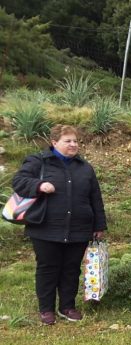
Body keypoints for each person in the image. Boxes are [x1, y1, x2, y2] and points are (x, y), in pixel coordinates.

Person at [12, 124, 107, 325]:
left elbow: (95, 198)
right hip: (45, 227)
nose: (73, 144)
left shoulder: (85, 168)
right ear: (54, 143)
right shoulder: (38, 161)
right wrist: (38, 185)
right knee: (48, 268)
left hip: (79, 229)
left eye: (75, 141)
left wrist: (99, 226)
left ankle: (67, 307)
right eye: (68, 141)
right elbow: (19, 181)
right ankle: (46, 309)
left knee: (71, 269)